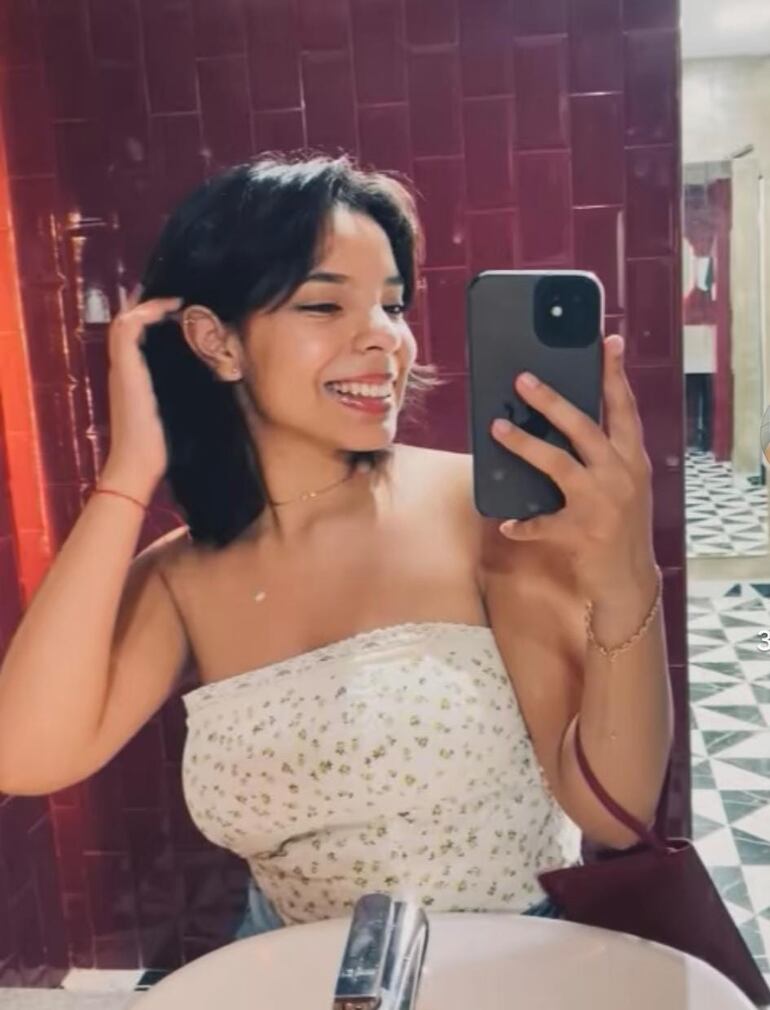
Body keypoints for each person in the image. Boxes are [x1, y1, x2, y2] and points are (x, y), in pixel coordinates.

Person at [0, 155, 672, 933]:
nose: (385, 338)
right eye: (324, 305)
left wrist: (627, 580)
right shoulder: (183, 577)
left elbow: (614, 814)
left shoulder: (479, 516)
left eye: (392, 304)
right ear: (216, 342)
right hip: (296, 971)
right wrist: (127, 474)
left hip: (506, 964)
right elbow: (25, 755)